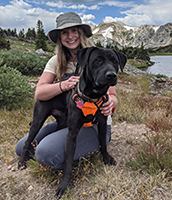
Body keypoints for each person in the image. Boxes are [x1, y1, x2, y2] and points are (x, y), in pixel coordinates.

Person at [16, 12, 118, 170]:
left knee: (45, 154)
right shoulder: (56, 61)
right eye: (65, 32)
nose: (70, 36)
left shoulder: (97, 56)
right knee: (21, 148)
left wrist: (110, 103)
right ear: (59, 37)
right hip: (69, 120)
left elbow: (112, 96)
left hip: (94, 123)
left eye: (74, 31)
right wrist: (63, 85)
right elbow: (39, 93)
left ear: (81, 33)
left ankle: (95, 145)